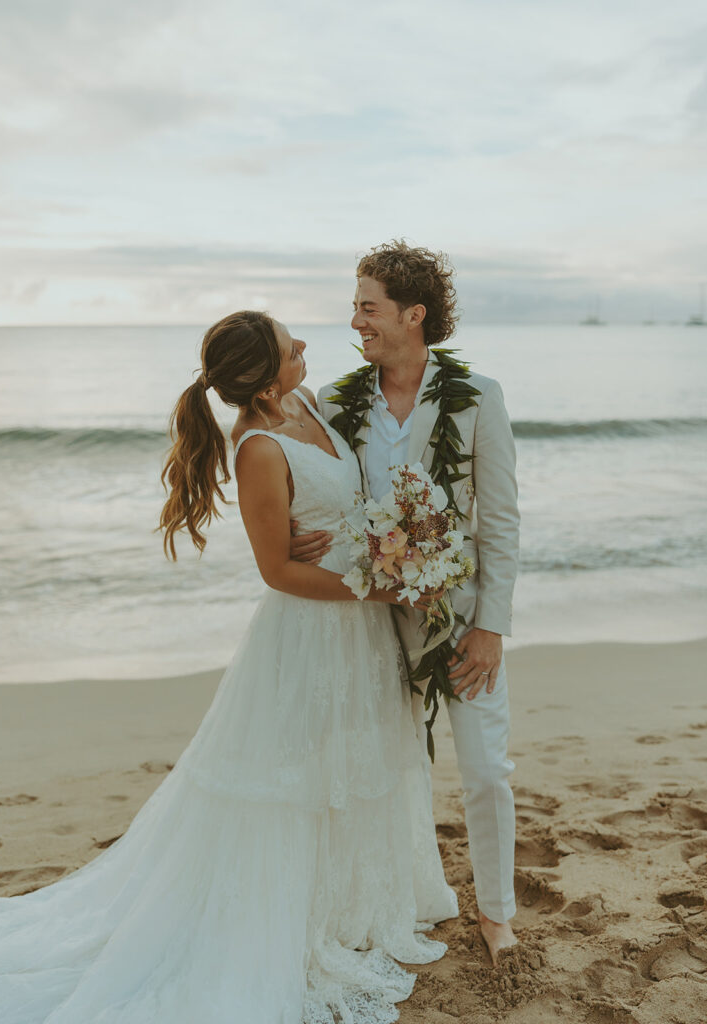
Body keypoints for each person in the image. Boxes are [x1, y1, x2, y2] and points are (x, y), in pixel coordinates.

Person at [0, 309, 459, 1024]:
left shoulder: (305, 401)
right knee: (295, 784)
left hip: (359, 627)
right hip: (308, 636)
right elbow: (276, 572)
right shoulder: (259, 448)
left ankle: (350, 906)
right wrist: (383, 582)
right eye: (287, 347)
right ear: (265, 382)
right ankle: (282, 923)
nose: (304, 345)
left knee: (357, 766)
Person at [291, 241, 520, 964]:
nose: (354, 319)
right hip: (368, 620)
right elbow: (317, 488)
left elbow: (500, 518)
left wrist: (489, 627)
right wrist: (304, 539)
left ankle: (496, 912)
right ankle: (391, 901)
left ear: (411, 314)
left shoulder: (477, 396)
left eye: (368, 306)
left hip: (460, 615)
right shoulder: (333, 401)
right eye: (356, 305)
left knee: (485, 768)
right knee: (388, 771)